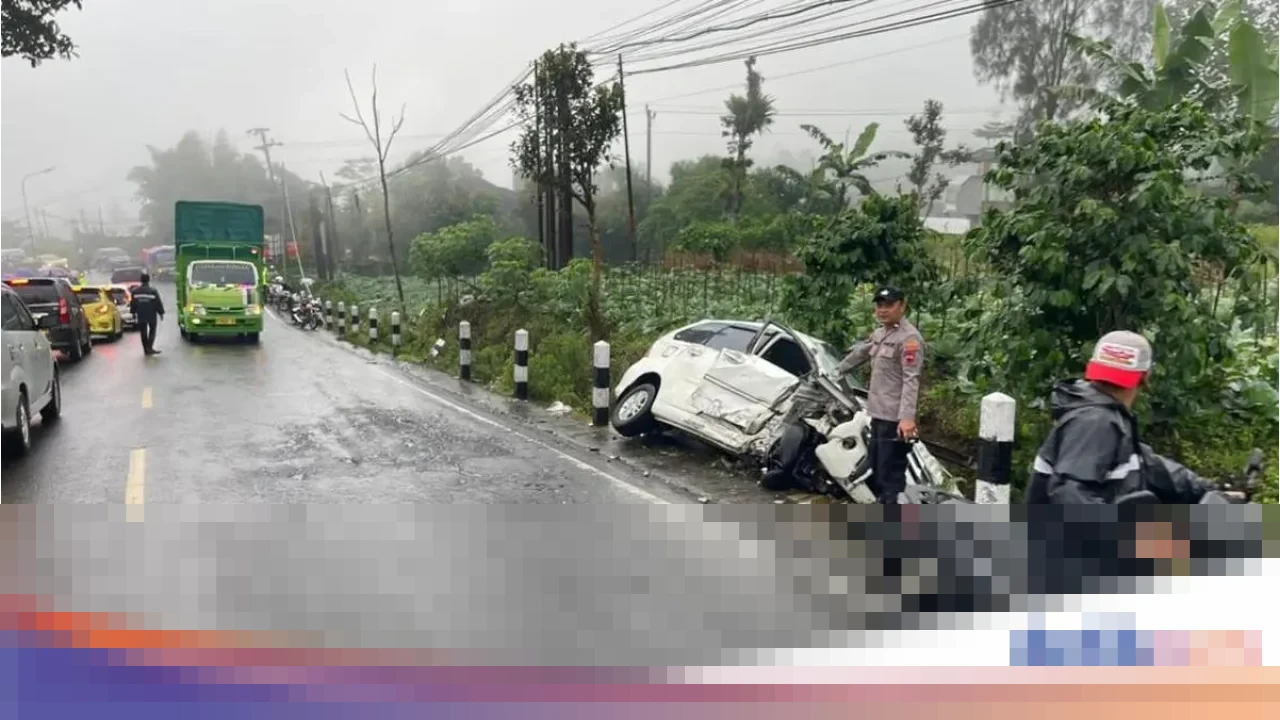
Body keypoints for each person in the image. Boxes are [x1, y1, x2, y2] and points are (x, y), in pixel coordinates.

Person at [1025, 331, 1213, 504]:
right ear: (1145, 377)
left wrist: (1209, 489)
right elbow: (1069, 494)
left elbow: (1150, 466)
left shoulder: (1104, 413)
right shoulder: (1095, 421)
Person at [834, 285, 926, 504]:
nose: (883, 310)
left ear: (902, 306)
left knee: (890, 476)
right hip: (878, 415)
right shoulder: (880, 334)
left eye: (889, 305)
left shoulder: (910, 339)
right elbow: (860, 354)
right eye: (879, 305)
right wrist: (836, 371)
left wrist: (907, 418)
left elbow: (911, 379)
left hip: (895, 420)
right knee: (876, 469)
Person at [129, 272, 166, 356]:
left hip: (141, 314)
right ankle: (149, 347)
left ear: (141, 280)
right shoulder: (153, 291)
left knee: (143, 332)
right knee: (152, 331)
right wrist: (161, 313)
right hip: (151, 314)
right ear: (148, 280)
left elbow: (133, 304)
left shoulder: (135, 292)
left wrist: (133, 313)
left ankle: (146, 349)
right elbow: (158, 303)